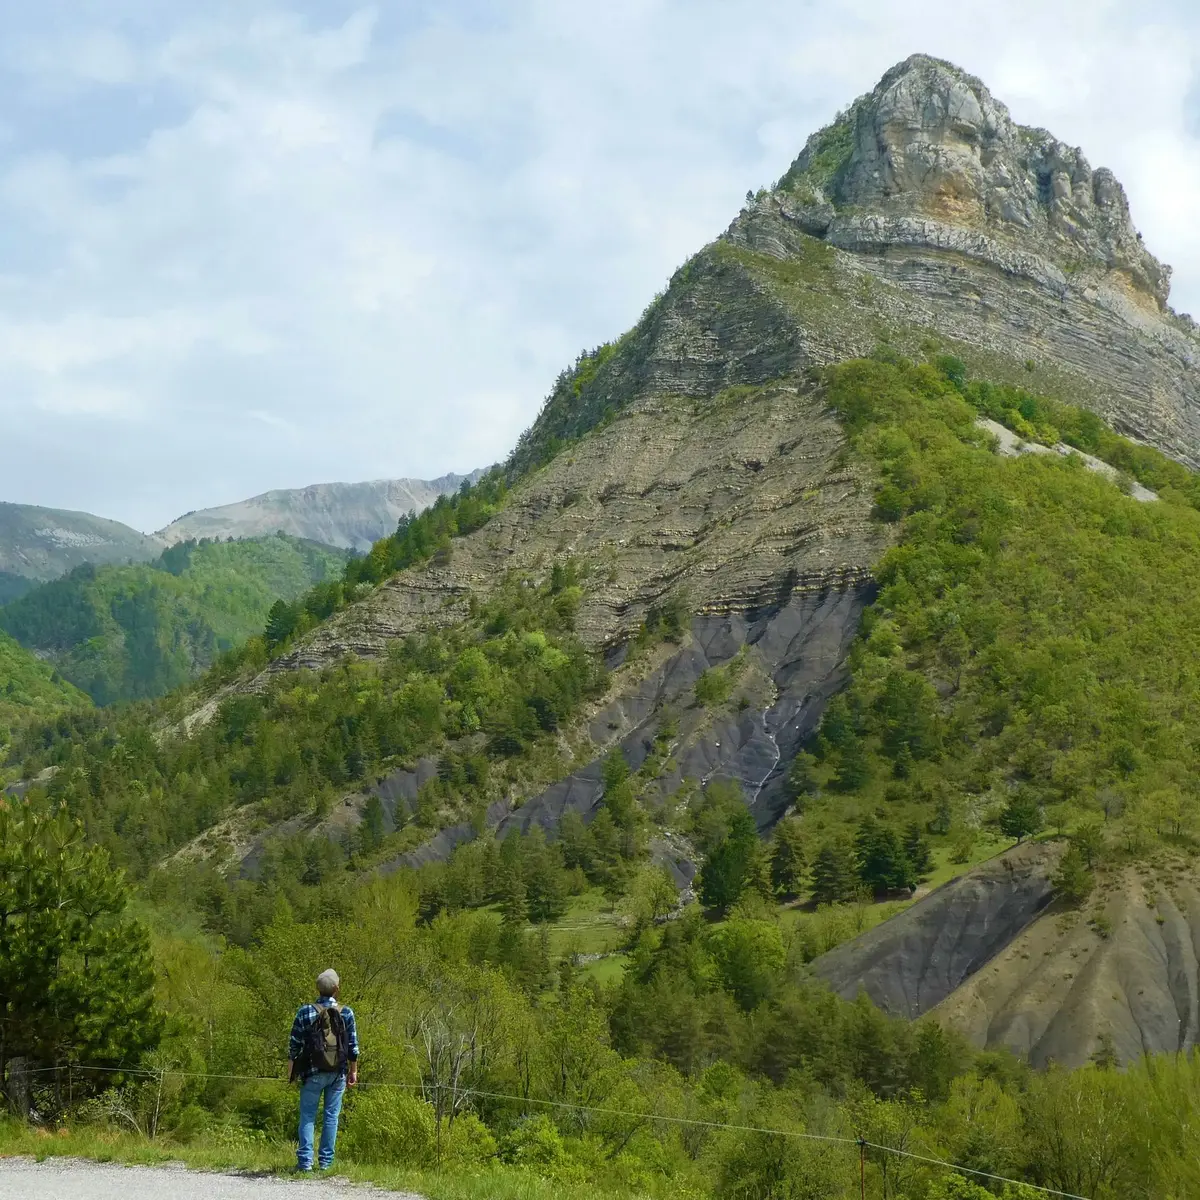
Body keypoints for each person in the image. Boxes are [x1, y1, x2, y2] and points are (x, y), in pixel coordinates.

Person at [287, 968, 360, 1172]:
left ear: (317, 988)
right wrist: (353, 1071)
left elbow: (294, 1044)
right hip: (338, 1073)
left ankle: (305, 1164)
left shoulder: (305, 1011)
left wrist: (291, 1071)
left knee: (308, 1116)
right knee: (331, 1117)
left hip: (312, 1072)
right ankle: (326, 1164)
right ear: (337, 989)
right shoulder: (346, 1012)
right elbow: (353, 1046)